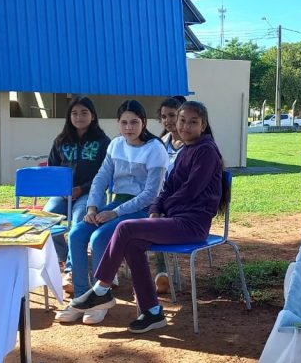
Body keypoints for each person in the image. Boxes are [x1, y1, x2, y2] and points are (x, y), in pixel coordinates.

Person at [69, 101, 229, 333]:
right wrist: (156, 208)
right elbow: (167, 189)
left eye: (193, 122)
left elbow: (190, 191)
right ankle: (152, 311)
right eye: (182, 120)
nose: (185, 126)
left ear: (203, 125)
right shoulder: (187, 149)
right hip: (173, 220)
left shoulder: (206, 151)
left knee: (124, 229)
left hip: (191, 225)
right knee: (132, 244)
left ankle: (100, 290)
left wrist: (162, 210)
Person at [56, 99, 169, 325]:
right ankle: (80, 297)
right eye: (124, 122)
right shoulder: (116, 145)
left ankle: (100, 299)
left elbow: (150, 194)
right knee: (78, 234)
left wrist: (114, 213)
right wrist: (92, 207)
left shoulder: (155, 149)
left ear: (144, 123)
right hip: (116, 204)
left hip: (142, 209)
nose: (129, 127)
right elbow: (101, 179)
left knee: (99, 237)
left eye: (134, 122)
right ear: (118, 123)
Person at [44, 96, 111, 292]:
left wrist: (80, 189)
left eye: (84, 112)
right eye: (74, 113)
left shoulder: (103, 142)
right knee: (47, 219)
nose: (79, 117)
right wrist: (62, 189)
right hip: (62, 194)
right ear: (69, 116)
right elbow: (53, 168)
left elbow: (105, 173)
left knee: (78, 219)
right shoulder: (61, 141)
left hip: (89, 194)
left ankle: (72, 271)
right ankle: (66, 259)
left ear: (93, 116)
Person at [152, 96, 187, 294]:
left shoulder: (193, 145)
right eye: (164, 117)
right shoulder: (160, 143)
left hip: (181, 203)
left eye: (172, 115)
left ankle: (161, 273)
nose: (168, 121)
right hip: (161, 198)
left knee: (157, 221)